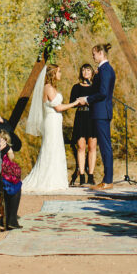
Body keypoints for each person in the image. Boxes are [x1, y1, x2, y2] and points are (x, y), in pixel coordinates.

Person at [24, 64, 85, 192]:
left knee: (56, 148)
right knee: (51, 148)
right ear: (52, 74)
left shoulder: (52, 88)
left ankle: (56, 179)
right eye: (59, 72)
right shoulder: (48, 88)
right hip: (51, 121)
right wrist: (75, 103)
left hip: (56, 121)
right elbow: (58, 107)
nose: (60, 74)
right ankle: (49, 180)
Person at [83, 43, 117, 190]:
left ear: (101, 53)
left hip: (101, 112)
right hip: (101, 112)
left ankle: (108, 180)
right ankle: (107, 179)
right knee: (104, 146)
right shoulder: (103, 70)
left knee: (105, 147)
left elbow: (103, 92)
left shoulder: (105, 70)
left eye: (94, 54)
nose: (93, 56)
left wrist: (87, 99)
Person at [69, 63, 98, 185]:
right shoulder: (76, 87)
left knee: (92, 147)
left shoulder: (96, 87)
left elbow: (99, 100)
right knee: (81, 147)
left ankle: (90, 175)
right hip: (81, 117)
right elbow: (72, 103)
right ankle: (81, 175)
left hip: (92, 117)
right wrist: (81, 102)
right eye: (83, 70)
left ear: (92, 73)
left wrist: (87, 100)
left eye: (88, 70)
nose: (85, 72)